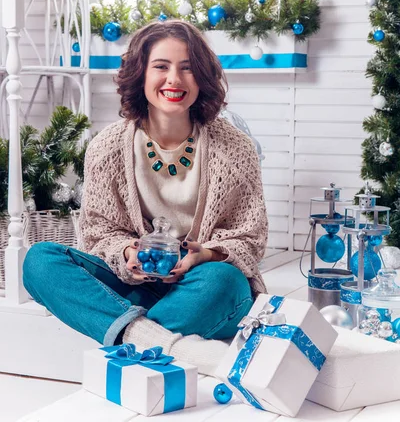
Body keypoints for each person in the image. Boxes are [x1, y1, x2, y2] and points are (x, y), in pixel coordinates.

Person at [23, 19, 268, 375]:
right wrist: (127, 253)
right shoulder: (107, 147)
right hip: (132, 285)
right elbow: (97, 233)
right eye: (161, 67)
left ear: (202, 77)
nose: (174, 80)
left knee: (224, 280)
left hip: (200, 286)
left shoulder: (235, 148)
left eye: (187, 68)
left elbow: (250, 239)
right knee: (39, 261)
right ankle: (157, 343)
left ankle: (121, 333)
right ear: (140, 75)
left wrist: (206, 254)